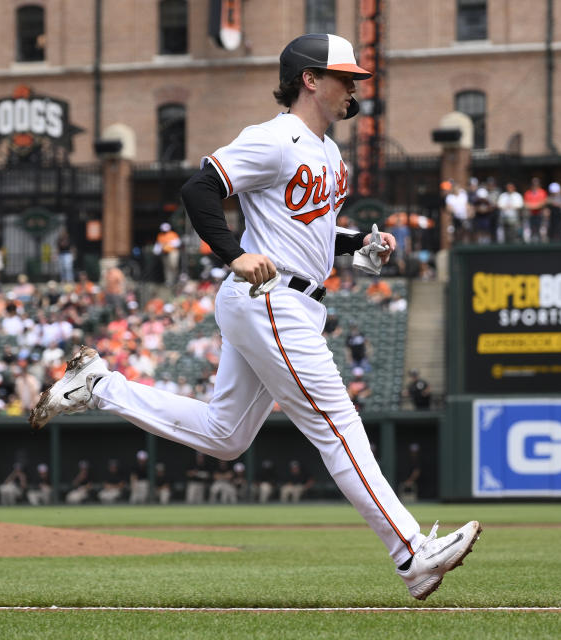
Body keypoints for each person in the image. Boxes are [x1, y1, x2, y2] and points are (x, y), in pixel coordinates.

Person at [28, 32, 481, 601]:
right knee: (337, 425)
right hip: (272, 298)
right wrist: (234, 253)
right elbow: (199, 189)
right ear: (309, 80)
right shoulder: (274, 138)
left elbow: (308, 230)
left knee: (226, 435)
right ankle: (411, 552)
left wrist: (358, 243)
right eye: (345, 77)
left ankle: (101, 387)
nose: (354, 88)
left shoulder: (329, 153)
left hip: (286, 298)